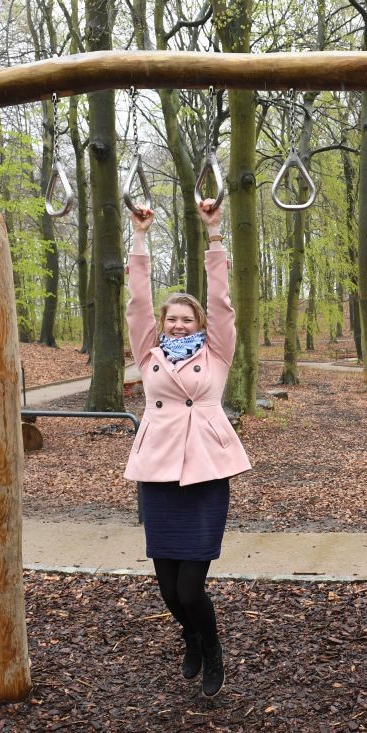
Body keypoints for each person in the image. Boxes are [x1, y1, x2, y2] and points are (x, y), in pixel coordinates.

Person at [123, 199, 251, 698]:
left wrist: (214, 233)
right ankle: (191, 635)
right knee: (166, 589)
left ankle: (210, 645)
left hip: (204, 474)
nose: (177, 325)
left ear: (199, 324)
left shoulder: (216, 352)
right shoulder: (148, 354)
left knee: (190, 587)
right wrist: (139, 239)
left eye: (186, 319)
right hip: (158, 474)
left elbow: (222, 302)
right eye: (170, 318)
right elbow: (136, 303)